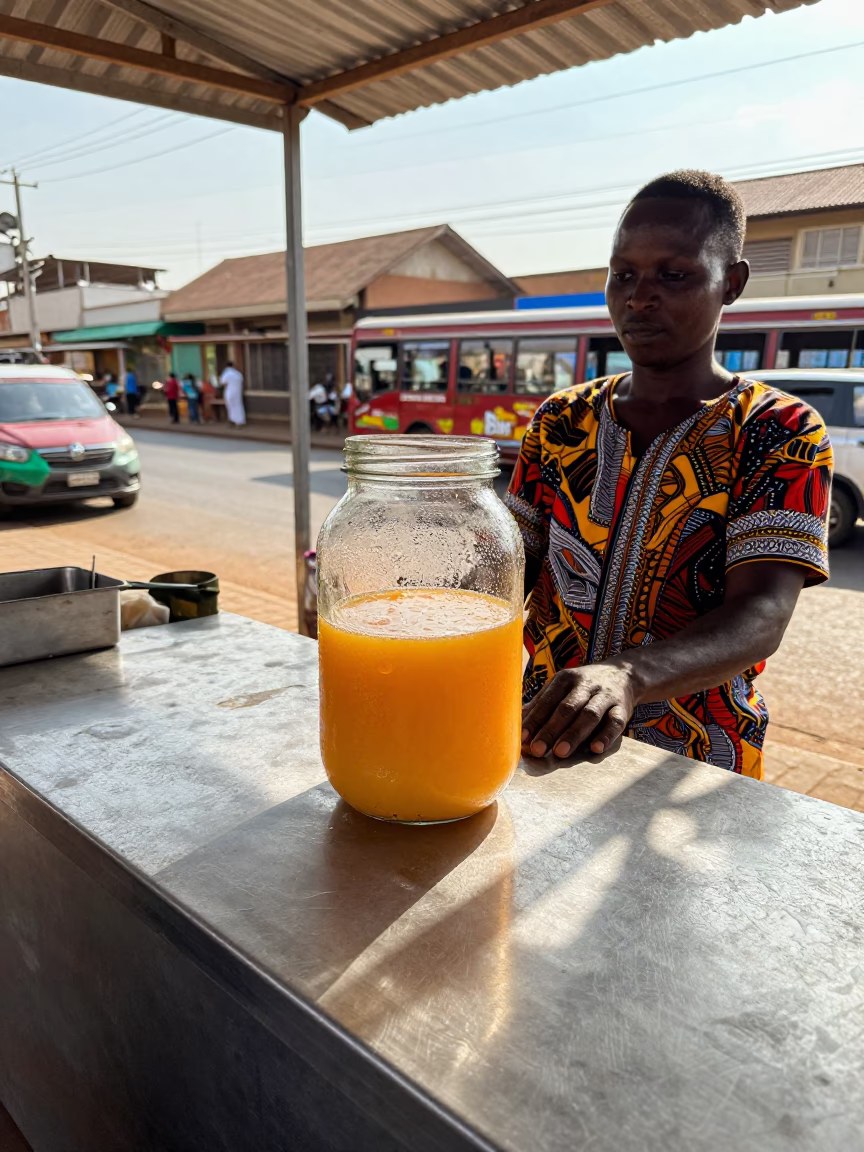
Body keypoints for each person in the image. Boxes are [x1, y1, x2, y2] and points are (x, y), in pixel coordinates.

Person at [509, 170, 832, 780]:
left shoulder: (780, 428)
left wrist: (627, 677)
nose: (638, 297)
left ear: (731, 282)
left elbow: (763, 611)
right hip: (545, 734)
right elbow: (509, 567)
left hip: (693, 761)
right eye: (623, 274)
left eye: (673, 274)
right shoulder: (560, 419)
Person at [220, 360, 246, 426]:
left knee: (230, 406)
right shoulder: (238, 373)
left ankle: (232, 420)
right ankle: (240, 421)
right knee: (238, 405)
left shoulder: (226, 373)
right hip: (238, 392)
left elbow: (222, 382)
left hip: (229, 392)